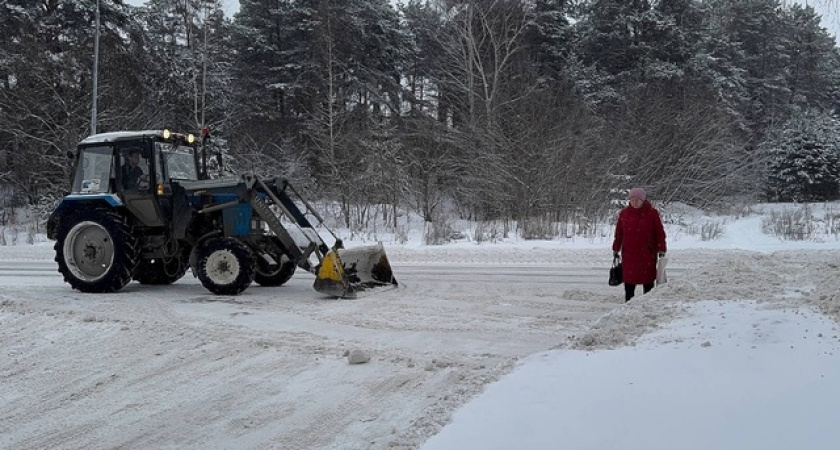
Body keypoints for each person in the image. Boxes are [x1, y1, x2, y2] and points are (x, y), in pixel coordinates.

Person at [611, 187, 667, 302]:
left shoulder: (652, 213)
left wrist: (661, 248)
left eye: (637, 199)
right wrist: (616, 248)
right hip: (629, 253)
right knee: (629, 281)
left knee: (648, 280)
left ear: (643, 200)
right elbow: (619, 233)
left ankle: (647, 304)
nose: (634, 202)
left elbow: (659, 232)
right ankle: (628, 303)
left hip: (647, 254)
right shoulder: (625, 214)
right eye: (632, 199)